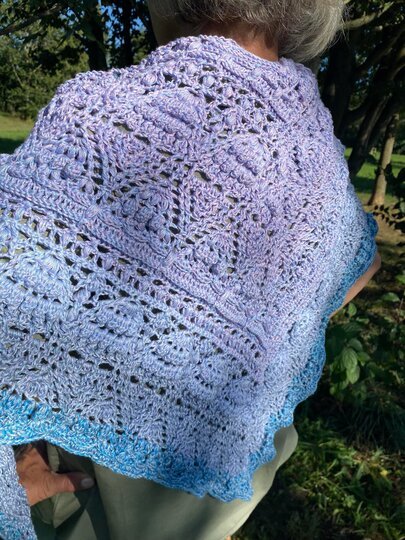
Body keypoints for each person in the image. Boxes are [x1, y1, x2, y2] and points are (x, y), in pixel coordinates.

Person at [0, 1, 381, 539]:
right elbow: (364, 262)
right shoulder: (317, 159)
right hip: (209, 513)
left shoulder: (103, 115)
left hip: (96, 505)